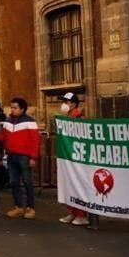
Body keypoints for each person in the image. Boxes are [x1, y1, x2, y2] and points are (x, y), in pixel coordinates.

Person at [0, 97, 40, 220]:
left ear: (22, 109)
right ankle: (18, 206)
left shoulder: (30, 122)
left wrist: (33, 157)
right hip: (11, 155)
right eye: (11, 107)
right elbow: (3, 137)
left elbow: (35, 141)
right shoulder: (8, 121)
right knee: (14, 182)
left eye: (15, 108)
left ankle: (30, 207)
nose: (12, 110)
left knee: (27, 182)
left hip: (24, 156)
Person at [58, 92, 89, 226]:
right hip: (69, 156)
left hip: (77, 156)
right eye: (64, 102)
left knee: (78, 184)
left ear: (74, 103)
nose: (65, 104)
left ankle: (81, 215)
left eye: (68, 102)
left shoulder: (79, 117)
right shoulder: (67, 117)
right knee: (70, 184)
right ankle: (72, 212)